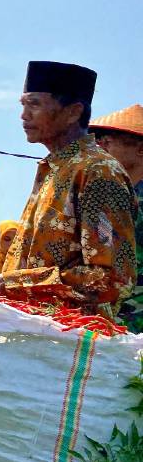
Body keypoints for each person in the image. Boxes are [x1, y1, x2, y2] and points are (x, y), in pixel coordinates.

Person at [0, 62, 138, 320]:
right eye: (23, 105)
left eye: (35, 104)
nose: (24, 115)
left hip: (70, 340)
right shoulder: (53, 168)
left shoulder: (98, 173)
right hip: (31, 333)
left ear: (73, 112)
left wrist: (14, 285)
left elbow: (112, 277)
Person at [90, 104, 143, 331]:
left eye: (107, 139)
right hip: (107, 317)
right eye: (97, 139)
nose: (99, 145)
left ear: (140, 149)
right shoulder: (108, 197)